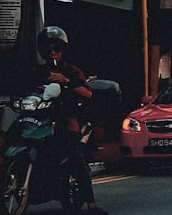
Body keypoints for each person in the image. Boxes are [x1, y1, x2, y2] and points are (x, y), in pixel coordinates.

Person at [35, 26, 108, 215]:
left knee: (76, 157)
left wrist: (65, 81)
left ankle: (91, 204)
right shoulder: (37, 71)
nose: (52, 53)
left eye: (56, 49)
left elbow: (87, 93)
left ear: (62, 50)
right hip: (40, 119)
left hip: (66, 120)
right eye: (48, 49)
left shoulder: (72, 70)